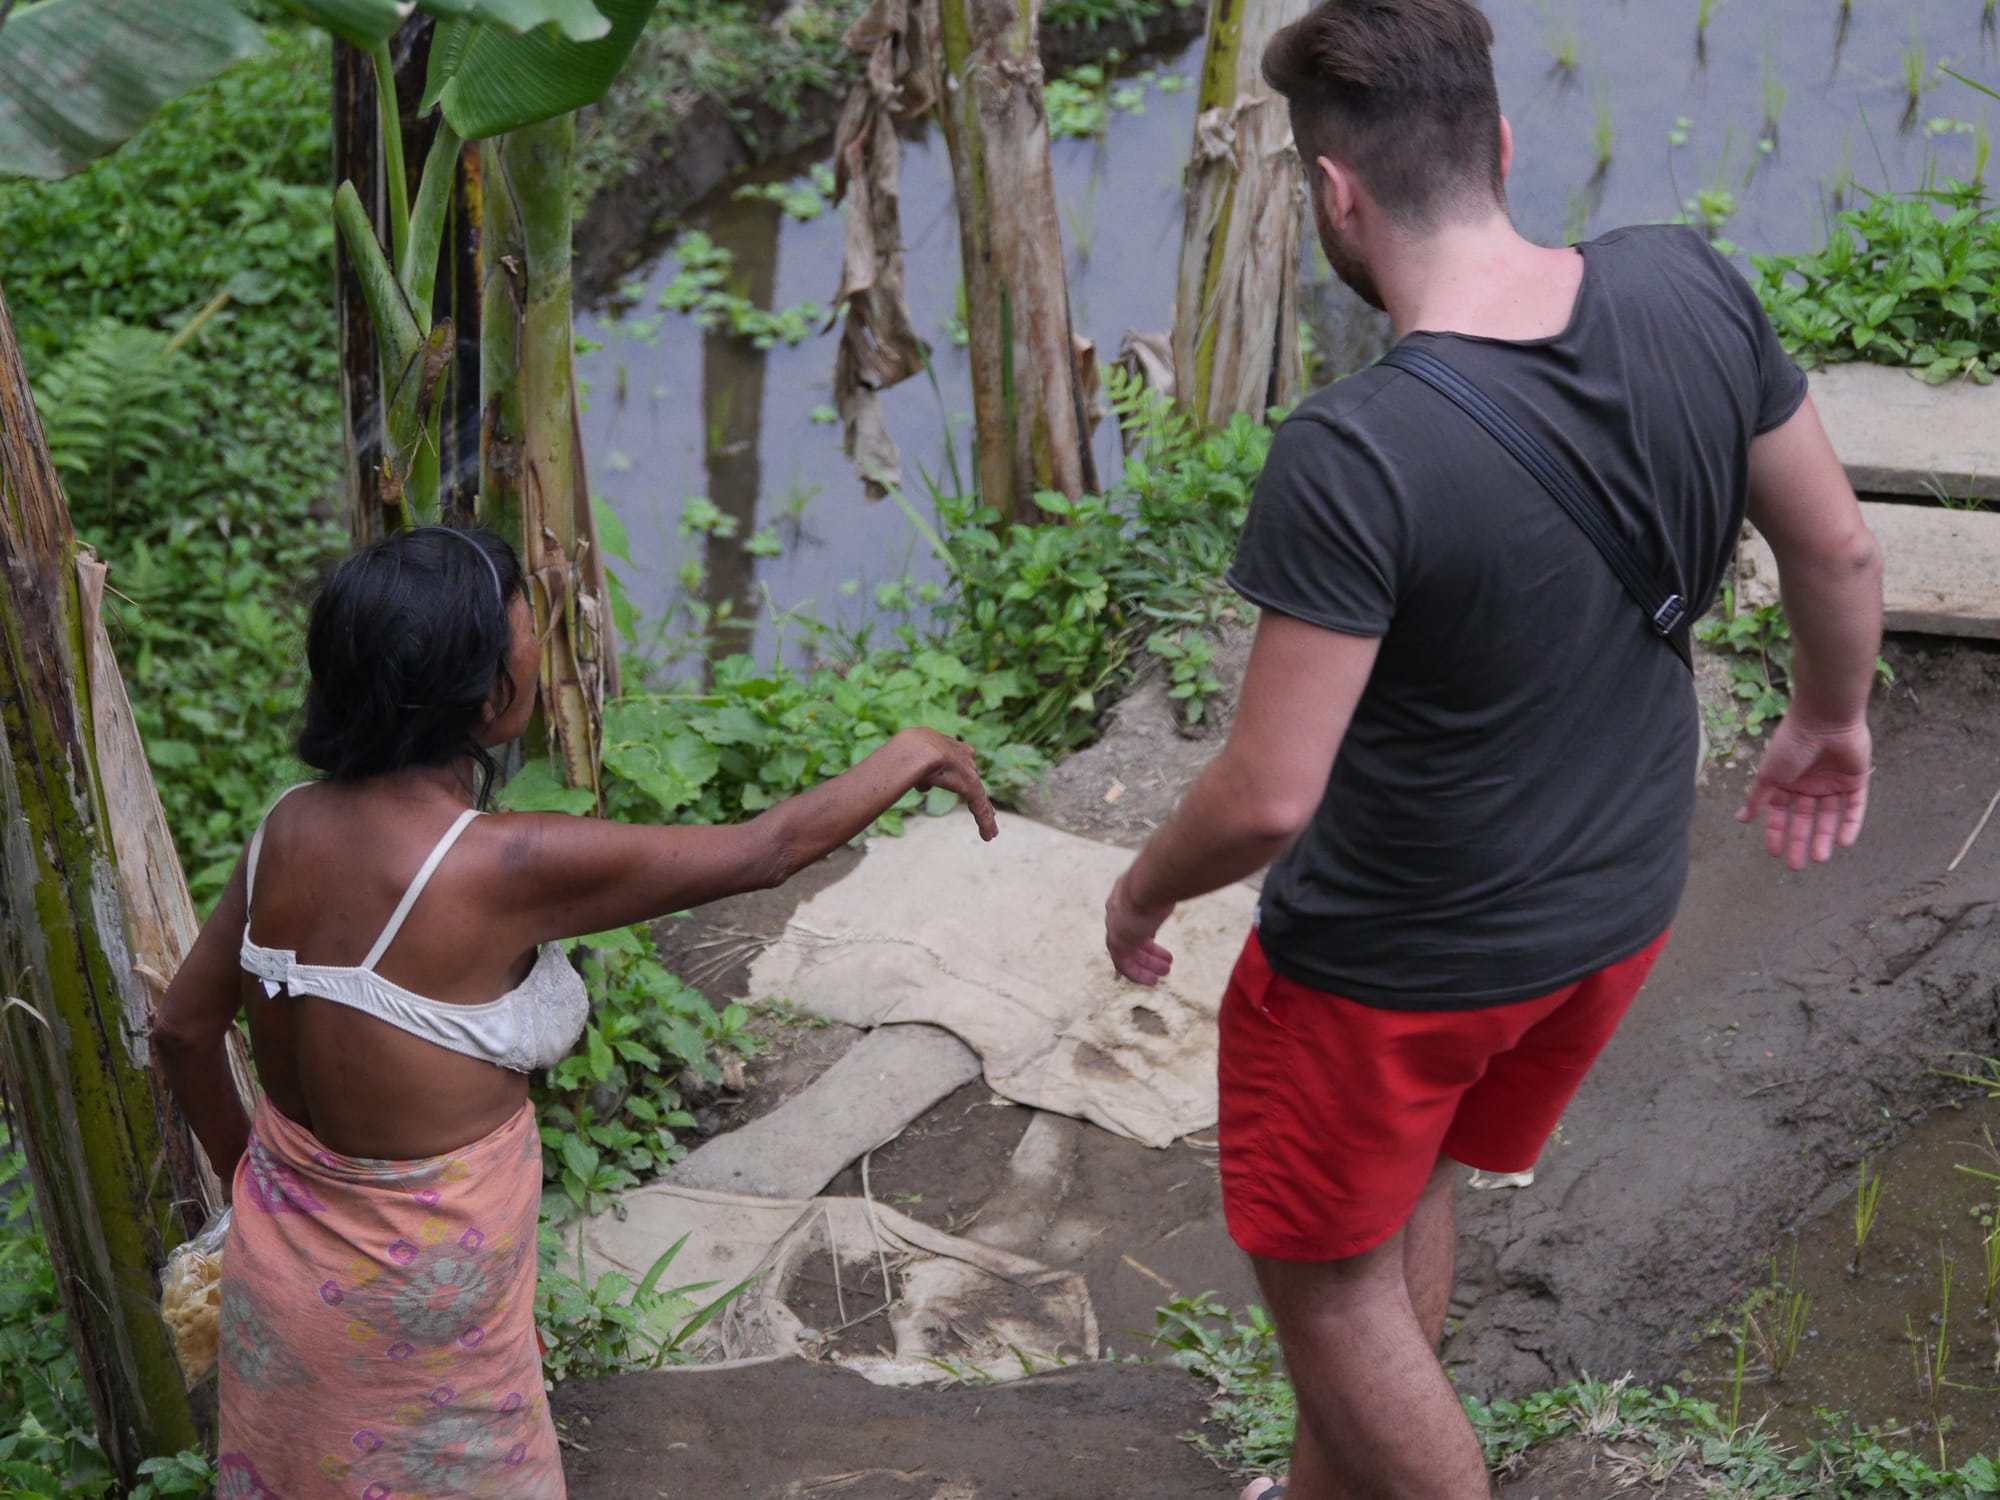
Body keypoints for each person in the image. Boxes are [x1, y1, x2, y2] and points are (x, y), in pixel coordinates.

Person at [1100, 2, 1883, 1496]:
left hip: (1393, 972)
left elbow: (1269, 794)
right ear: (1503, 143)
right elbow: (1837, 550)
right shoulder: (1686, 284)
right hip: (1612, 917)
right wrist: (1828, 722)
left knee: (1325, 1283)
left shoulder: (1356, 451)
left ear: (1335, 194)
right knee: (1410, 1186)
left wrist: (1142, 894)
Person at [154, 525, 997, 1499]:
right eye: (522, 629)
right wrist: (913, 747)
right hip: (421, 1328)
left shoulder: (285, 827)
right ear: (480, 689)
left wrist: (260, 1192)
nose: (536, 643)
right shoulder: (496, 868)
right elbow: (765, 849)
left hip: (282, 1287)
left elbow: (181, 1028)